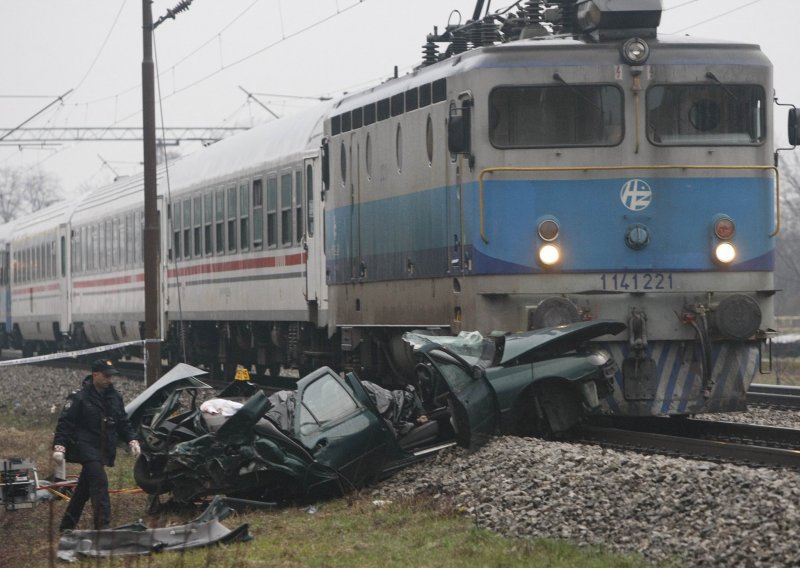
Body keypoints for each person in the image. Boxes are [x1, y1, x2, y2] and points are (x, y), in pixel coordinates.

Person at [52, 359, 140, 532]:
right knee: (99, 483)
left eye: (111, 376)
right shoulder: (79, 397)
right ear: (95, 374)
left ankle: (66, 526)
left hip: (104, 448)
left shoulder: (115, 397)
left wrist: (132, 440)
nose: (110, 380)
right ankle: (103, 528)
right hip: (85, 446)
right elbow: (65, 424)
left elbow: (122, 422)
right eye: (106, 376)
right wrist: (59, 447)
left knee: (83, 489)